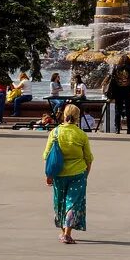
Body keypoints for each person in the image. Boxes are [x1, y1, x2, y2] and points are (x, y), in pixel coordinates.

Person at [43, 103, 93, 244]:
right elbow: (88, 158)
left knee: (60, 202)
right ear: (77, 118)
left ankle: (62, 232)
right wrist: (86, 175)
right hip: (78, 173)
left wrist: (49, 175)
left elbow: (47, 155)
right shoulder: (81, 135)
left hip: (58, 174)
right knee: (72, 202)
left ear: (64, 116)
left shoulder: (55, 133)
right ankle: (67, 233)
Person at [106, 55, 130, 134]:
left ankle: (117, 128)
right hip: (128, 92)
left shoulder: (116, 67)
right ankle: (129, 129)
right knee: (129, 111)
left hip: (118, 92)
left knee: (118, 110)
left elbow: (112, 78)